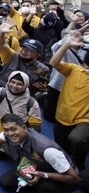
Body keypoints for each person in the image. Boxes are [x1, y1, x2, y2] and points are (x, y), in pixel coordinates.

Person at [0, 71, 42, 159]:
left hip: (15, 132)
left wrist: (30, 141)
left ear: (25, 85)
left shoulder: (31, 102)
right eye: (13, 82)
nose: (14, 86)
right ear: (8, 81)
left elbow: (35, 126)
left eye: (19, 84)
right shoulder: (1, 92)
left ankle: (11, 148)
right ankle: (14, 150)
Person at [49, 31, 89, 171]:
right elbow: (53, 62)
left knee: (76, 139)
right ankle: (67, 165)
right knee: (61, 146)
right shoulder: (74, 69)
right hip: (63, 115)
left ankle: (80, 166)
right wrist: (66, 45)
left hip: (84, 119)